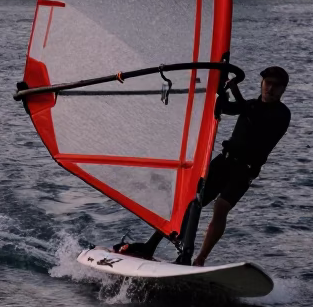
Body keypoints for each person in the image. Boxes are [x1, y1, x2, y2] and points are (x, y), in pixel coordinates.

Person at [114, 65, 291, 266]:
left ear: (283, 89)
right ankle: (151, 245)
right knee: (190, 203)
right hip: (224, 161)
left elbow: (255, 120)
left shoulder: (282, 115)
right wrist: (220, 88)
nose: (271, 89)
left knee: (221, 207)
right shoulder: (250, 105)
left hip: (245, 170)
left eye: (277, 86)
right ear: (262, 83)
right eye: (268, 84)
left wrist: (234, 89)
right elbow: (224, 107)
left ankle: (199, 260)